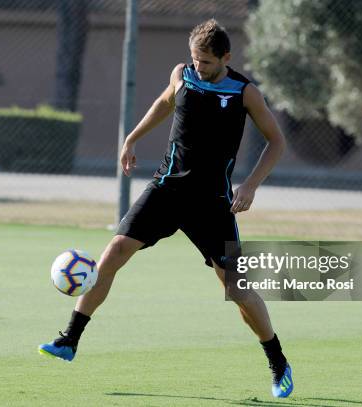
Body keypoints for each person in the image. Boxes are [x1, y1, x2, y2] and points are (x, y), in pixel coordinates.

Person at [39, 19, 293, 398]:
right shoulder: (183, 75)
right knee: (115, 251)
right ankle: (69, 339)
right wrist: (132, 138)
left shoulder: (244, 92)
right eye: (194, 59)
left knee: (237, 290)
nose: (199, 67)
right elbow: (163, 102)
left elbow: (276, 142)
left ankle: (277, 362)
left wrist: (251, 185)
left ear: (225, 56)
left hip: (212, 203)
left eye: (206, 61)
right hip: (166, 189)